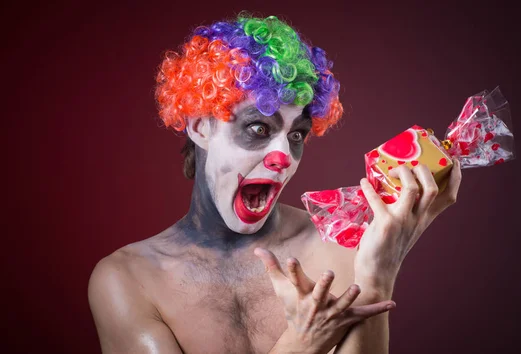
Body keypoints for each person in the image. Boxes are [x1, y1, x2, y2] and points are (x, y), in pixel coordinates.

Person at [88, 13, 462, 354]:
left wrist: (377, 277)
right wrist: (303, 343)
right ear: (201, 127)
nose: (283, 156)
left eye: (297, 135)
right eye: (258, 129)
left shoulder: (338, 247)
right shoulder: (127, 280)